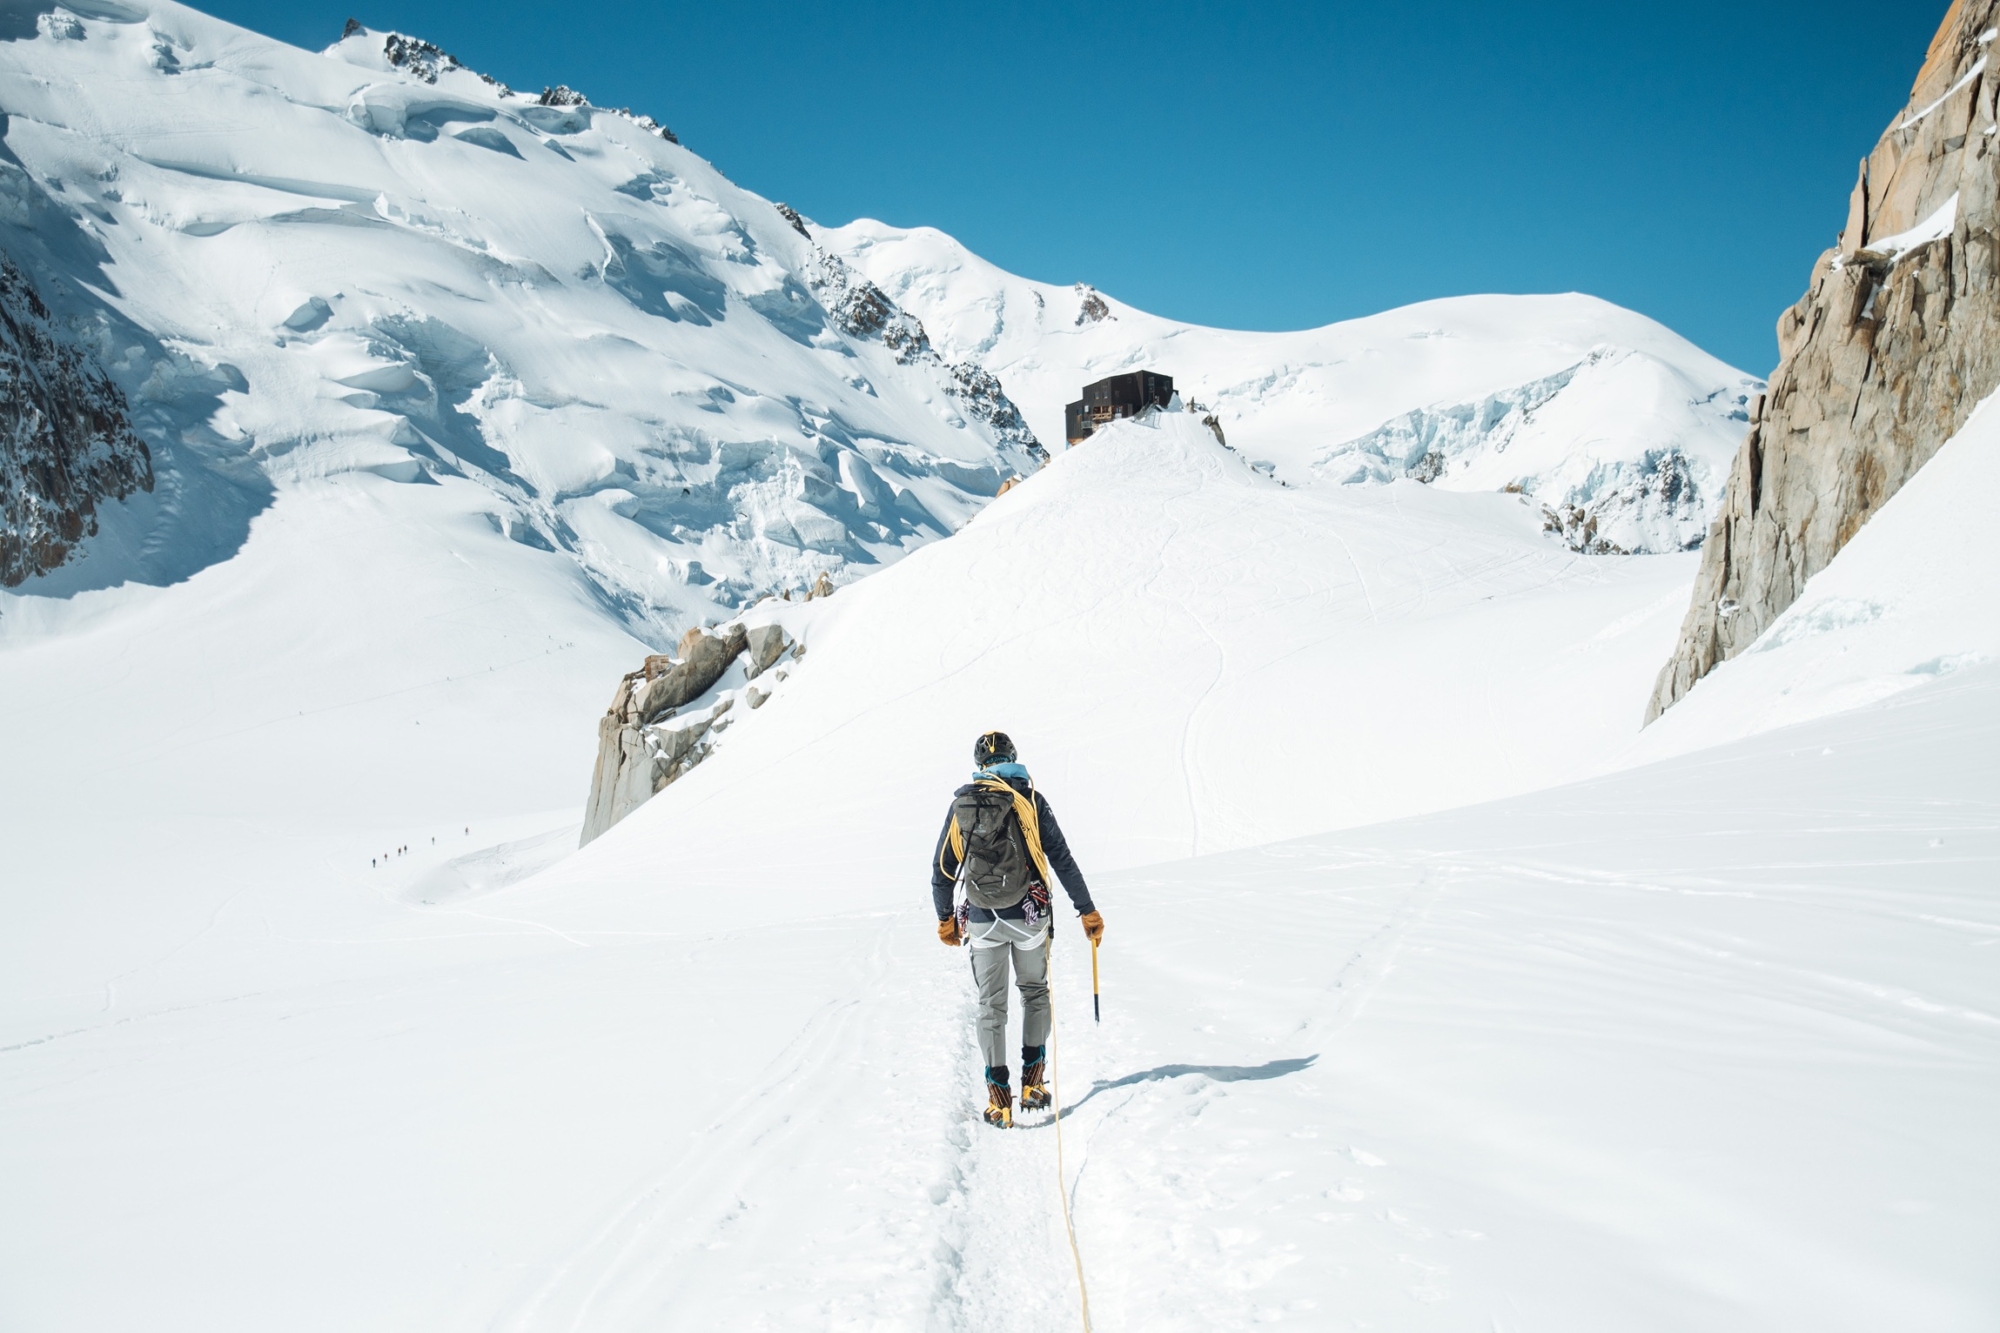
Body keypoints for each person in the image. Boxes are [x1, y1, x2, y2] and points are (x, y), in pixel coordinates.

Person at [932, 730, 1105, 1127]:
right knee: (1034, 993)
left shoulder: (963, 806)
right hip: (1030, 916)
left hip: (982, 920)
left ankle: (998, 1099)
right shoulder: (1029, 801)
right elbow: (1061, 859)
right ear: (1013, 758)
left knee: (991, 1006)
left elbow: (942, 871)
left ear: (979, 766)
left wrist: (946, 920)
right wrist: (1088, 911)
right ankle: (1032, 1084)